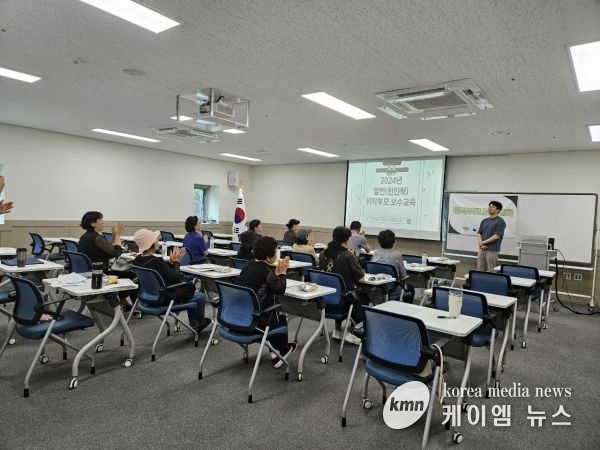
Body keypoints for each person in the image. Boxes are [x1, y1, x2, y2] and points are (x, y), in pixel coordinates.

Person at [132, 229, 211, 333]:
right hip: (163, 298)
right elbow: (176, 278)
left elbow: (163, 273)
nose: (158, 242)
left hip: (146, 297)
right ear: (150, 244)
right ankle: (198, 324)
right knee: (200, 296)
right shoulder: (157, 261)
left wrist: (170, 262)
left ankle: (196, 324)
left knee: (191, 294)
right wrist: (177, 262)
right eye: (156, 240)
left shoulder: (137, 260)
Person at [236, 236, 296, 368]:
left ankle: (275, 351)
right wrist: (282, 273)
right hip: (257, 320)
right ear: (269, 257)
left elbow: (264, 281)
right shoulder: (267, 271)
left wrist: (276, 273)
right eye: (276, 251)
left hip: (240, 315)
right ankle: (280, 351)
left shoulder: (247, 266)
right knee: (279, 315)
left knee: (271, 309)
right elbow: (280, 290)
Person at [318, 226, 367, 345]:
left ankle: (338, 329)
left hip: (322, 299)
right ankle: (353, 331)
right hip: (342, 301)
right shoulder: (348, 255)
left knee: (340, 288)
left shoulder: (323, 253)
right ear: (346, 239)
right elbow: (361, 279)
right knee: (363, 296)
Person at [77, 210, 132, 307]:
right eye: (101, 220)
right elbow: (116, 253)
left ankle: (123, 301)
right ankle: (134, 306)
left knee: (125, 274)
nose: (104, 222)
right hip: (100, 276)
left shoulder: (86, 236)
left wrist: (114, 235)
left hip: (91, 273)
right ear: (93, 224)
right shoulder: (97, 238)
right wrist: (118, 235)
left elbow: (108, 250)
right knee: (132, 276)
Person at [371, 229, 415, 303]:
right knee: (411, 288)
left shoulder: (376, 253)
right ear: (394, 242)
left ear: (379, 241)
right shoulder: (397, 255)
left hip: (377, 287)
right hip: (391, 289)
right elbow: (403, 275)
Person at [476, 201, 506, 272]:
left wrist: (483, 242)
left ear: (498, 210)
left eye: (493, 207)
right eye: (489, 206)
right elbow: (479, 233)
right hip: (482, 249)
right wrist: (481, 244)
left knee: (491, 271)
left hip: (492, 250)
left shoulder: (500, 221)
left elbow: (496, 236)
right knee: (480, 270)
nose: (490, 208)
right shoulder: (484, 220)